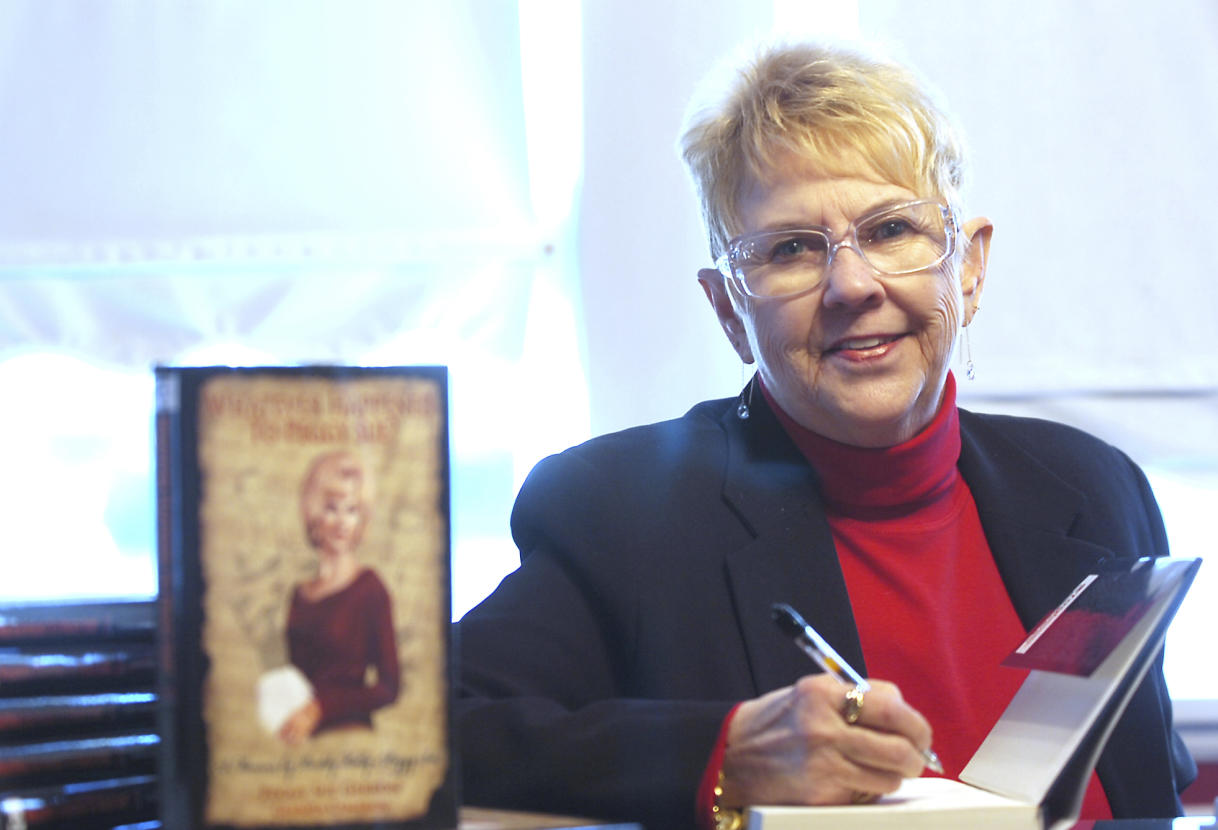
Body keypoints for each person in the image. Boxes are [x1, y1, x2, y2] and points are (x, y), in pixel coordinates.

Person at [455, 42, 1195, 829]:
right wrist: (725, 757)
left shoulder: (1095, 486)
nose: (852, 285)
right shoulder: (626, 513)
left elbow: (1152, 790)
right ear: (729, 310)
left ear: (968, 269)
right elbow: (418, 735)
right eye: (792, 250)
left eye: (891, 230)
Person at [278, 449, 400, 744]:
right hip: (303, 741)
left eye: (352, 509)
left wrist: (322, 708)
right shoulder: (300, 596)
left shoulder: (370, 588)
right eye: (332, 507)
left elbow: (388, 686)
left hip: (352, 739)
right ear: (315, 511)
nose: (342, 521)